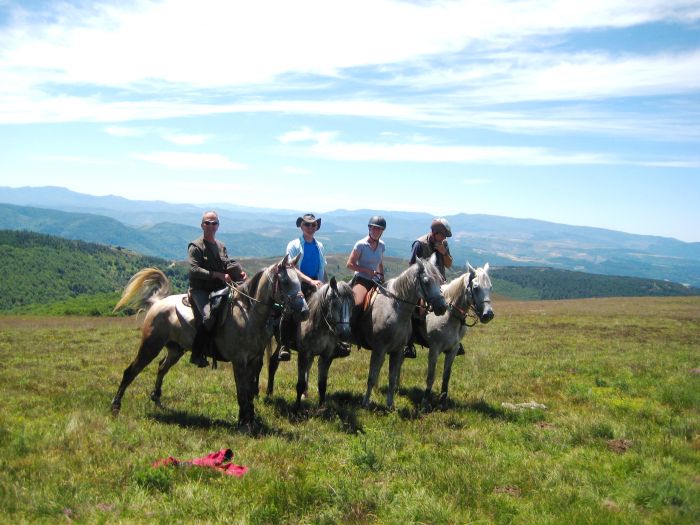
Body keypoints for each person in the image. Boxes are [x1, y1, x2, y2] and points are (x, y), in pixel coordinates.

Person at [278, 213, 350, 361]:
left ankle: (335, 343)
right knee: (289, 310)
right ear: (301, 226)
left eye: (313, 225)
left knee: (333, 308)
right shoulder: (294, 245)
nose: (310, 227)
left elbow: (322, 268)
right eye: (307, 224)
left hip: (318, 284)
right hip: (298, 284)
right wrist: (310, 281)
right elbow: (291, 267)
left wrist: (328, 286)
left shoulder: (320, 245)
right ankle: (285, 345)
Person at [188, 211, 246, 367]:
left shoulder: (221, 246)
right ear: (202, 225)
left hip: (219, 289)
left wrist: (238, 274)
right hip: (201, 290)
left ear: (218, 226)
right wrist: (217, 275)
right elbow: (193, 270)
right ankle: (197, 353)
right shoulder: (196, 246)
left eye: (214, 223)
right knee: (208, 317)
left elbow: (226, 264)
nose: (211, 226)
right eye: (208, 223)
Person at [404, 217, 460, 358]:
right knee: (414, 311)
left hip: (441, 284)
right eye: (441, 235)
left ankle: (453, 340)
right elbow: (411, 267)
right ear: (434, 232)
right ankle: (408, 343)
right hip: (423, 285)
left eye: (445, 236)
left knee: (455, 308)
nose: (443, 238)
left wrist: (444, 252)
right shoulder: (419, 244)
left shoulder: (444, 244)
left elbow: (449, 264)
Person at [347, 215, 386, 333]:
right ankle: (350, 332)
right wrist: (367, 270)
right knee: (357, 304)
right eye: (374, 228)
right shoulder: (361, 244)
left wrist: (382, 276)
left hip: (376, 280)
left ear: (382, 231)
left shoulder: (382, 245)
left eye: (379, 229)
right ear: (369, 228)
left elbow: (380, 262)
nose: (376, 231)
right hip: (361, 280)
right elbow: (349, 264)